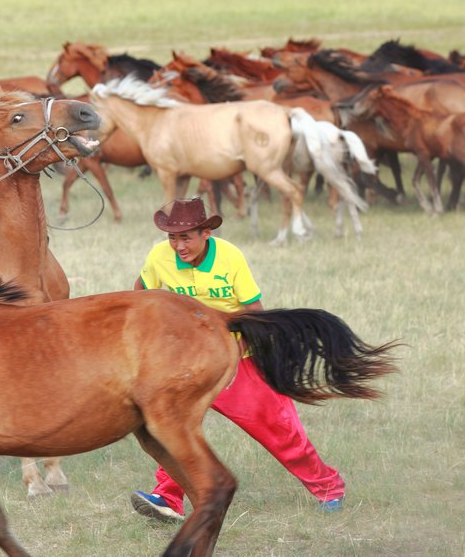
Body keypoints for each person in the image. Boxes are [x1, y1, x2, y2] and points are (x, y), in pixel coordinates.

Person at [130, 197, 345, 522]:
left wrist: (217, 339)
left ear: (206, 233)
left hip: (235, 359)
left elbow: (254, 312)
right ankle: (167, 498)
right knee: (174, 427)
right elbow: (141, 293)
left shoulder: (229, 257)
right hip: (185, 363)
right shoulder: (159, 257)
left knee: (279, 429)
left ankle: (328, 487)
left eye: (185, 237)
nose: (177, 245)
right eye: (172, 237)